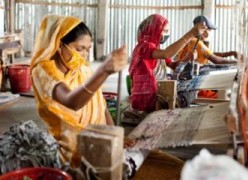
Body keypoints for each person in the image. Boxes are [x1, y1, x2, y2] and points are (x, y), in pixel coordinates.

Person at [31, 15, 185, 179]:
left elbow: (101, 106)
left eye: (88, 49)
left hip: (102, 140)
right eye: (79, 48)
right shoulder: (43, 70)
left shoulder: (81, 68)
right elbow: (71, 101)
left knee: (178, 168)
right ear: (59, 45)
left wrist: (114, 135)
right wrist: (103, 71)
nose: (84, 55)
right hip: (75, 151)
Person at [129, 14, 206, 113]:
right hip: (147, 98)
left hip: (157, 92)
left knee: (191, 87)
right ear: (154, 30)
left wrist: (187, 58)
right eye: (164, 31)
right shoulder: (143, 47)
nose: (166, 34)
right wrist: (191, 34)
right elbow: (166, 54)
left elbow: (173, 65)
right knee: (188, 93)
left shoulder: (156, 49)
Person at [177, 15, 238, 99]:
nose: (209, 32)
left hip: (184, 77)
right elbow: (216, 60)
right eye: (209, 29)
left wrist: (231, 53)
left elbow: (210, 54)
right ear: (202, 29)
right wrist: (237, 62)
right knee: (221, 97)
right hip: (192, 82)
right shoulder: (197, 43)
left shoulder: (191, 40)